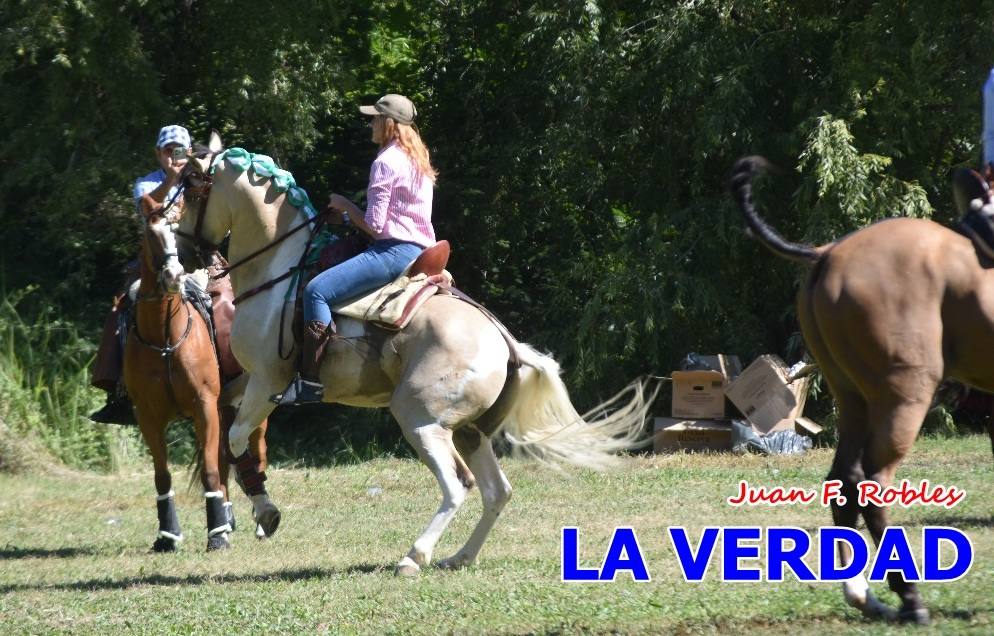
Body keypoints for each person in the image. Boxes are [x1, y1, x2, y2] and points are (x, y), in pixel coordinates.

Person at [272, 94, 439, 406]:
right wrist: (349, 215)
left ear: (388, 124)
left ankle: (310, 382)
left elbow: (376, 226)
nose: (371, 124)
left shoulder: (385, 162)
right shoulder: (419, 161)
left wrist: (345, 207)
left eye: (375, 118)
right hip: (422, 253)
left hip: (393, 253)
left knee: (316, 291)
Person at [89, 125, 191, 424]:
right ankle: (120, 387)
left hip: (196, 259)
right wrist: (171, 180)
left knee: (227, 298)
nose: (174, 156)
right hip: (156, 263)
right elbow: (149, 211)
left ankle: (238, 373)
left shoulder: (198, 180)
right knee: (126, 303)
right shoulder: (145, 184)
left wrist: (192, 178)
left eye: (180, 150)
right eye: (168, 150)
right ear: (158, 153)